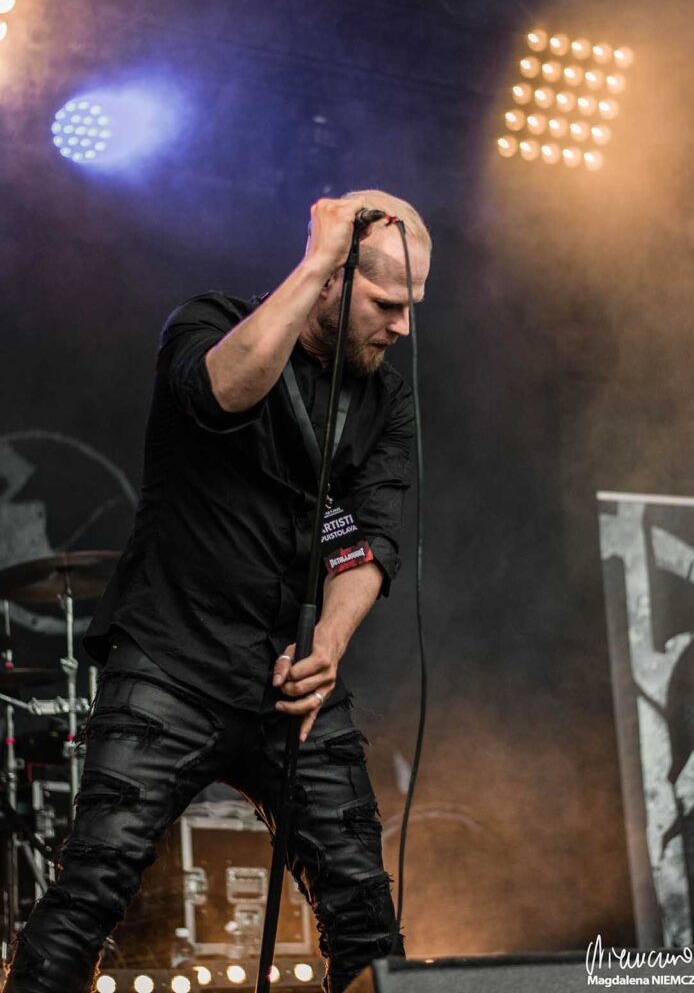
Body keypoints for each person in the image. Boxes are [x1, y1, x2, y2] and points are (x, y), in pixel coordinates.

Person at [5, 190, 431, 993]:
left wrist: (326, 647)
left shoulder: (387, 399)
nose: (404, 326)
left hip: (288, 680)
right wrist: (318, 256)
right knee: (90, 891)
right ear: (333, 279)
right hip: (169, 665)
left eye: (413, 306)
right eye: (386, 303)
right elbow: (222, 395)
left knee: (367, 917)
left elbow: (371, 539)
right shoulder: (206, 324)